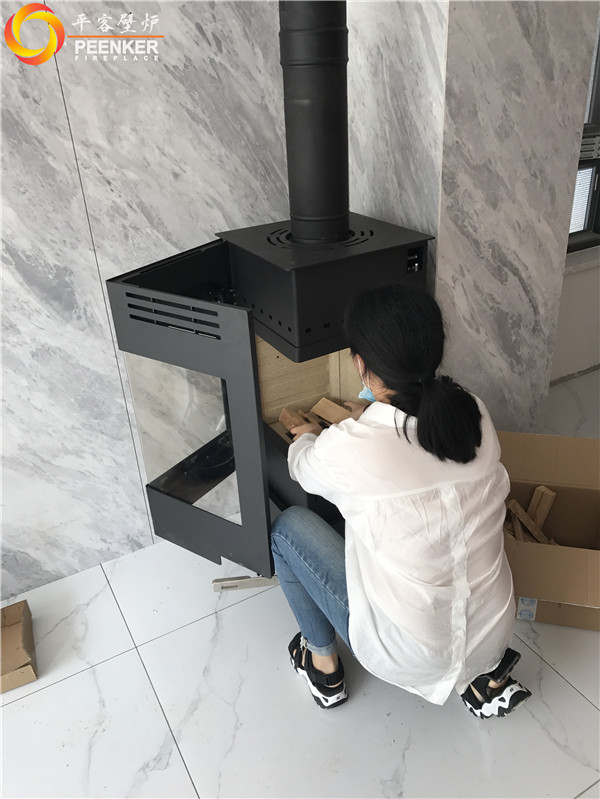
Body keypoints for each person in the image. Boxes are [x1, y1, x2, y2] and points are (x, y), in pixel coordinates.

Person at [270, 284, 532, 719]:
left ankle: (322, 667)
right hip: (495, 631)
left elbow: (303, 467)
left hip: (410, 652)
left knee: (287, 530)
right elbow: (414, 450)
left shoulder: (354, 446)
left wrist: (309, 435)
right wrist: (368, 419)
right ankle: (480, 678)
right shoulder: (475, 413)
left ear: (360, 364)